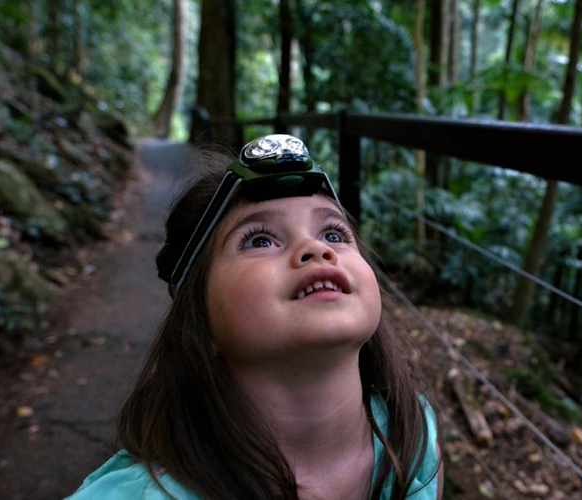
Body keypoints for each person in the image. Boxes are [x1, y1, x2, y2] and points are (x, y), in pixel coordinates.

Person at [66, 135, 443, 500]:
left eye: (333, 233)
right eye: (260, 240)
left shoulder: (412, 439)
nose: (314, 248)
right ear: (200, 321)